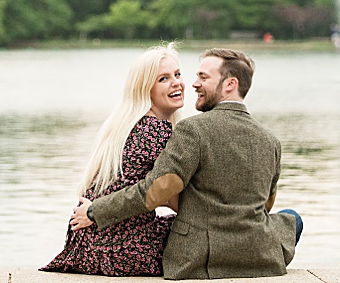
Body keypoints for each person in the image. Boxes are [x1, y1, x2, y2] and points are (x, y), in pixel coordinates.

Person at [70, 48, 302, 280]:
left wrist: (94, 210)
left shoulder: (191, 130)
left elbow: (155, 191)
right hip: (256, 252)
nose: (193, 84)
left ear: (230, 84)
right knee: (292, 218)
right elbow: (265, 204)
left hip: (201, 255)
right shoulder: (271, 141)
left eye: (203, 77)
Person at [40, 43, 185, 276]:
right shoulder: (158, 130)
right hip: (120, 250)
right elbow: (168, 198)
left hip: (86, 247)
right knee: (196, 230)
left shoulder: (126, 125)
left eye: (177, 75)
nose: (176, 82)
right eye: (164, 79)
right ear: (145, 88)